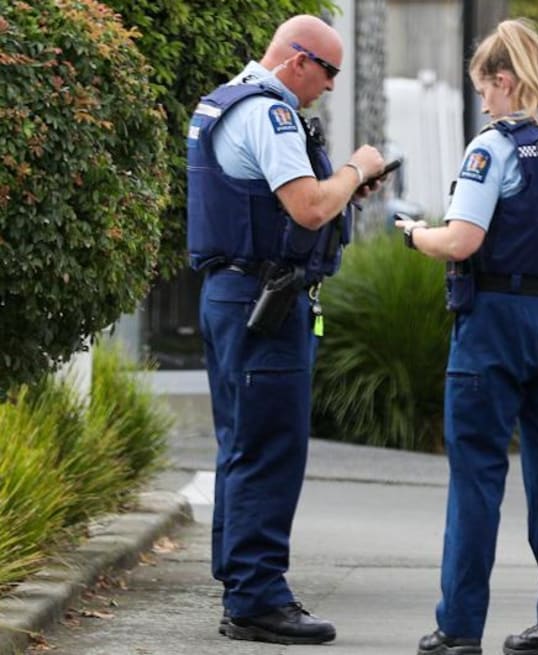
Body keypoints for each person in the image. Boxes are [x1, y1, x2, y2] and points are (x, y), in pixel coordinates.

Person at [395, 18, 538, 655]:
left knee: (477, 480)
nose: (483, 102)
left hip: (497, 324)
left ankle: (458, 629)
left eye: (485, 89)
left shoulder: (496, 146)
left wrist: (414, 234)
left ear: (506, 80)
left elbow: (462, 239)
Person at [185, 14, 385, 646]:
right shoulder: (268, 114)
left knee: (242, 444)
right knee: (271, 448)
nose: (329, 86)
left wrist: (340, 190)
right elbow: (308, 206)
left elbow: (276, 202)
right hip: (263, 300)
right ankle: (258, 597)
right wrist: (356, 169)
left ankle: (241, 585)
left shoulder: (223, 102)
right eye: (328, 72)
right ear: (298, 60)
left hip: (234, 294)